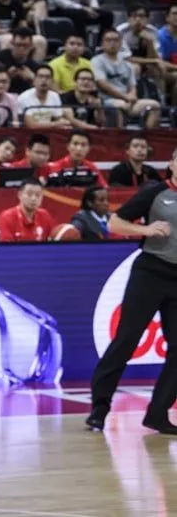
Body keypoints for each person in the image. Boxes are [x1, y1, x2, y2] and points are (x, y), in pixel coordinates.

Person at [87, 147, 177, 434]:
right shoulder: (155, 191)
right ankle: (99, 409)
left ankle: (158, 413)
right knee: (126, 339)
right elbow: (115, 222)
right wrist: (147, 231)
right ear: (172, 164)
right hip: (150, 271)